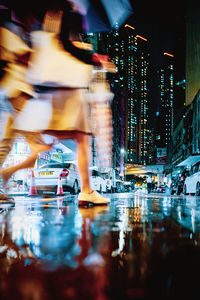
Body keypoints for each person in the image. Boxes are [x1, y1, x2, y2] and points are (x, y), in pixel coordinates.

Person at [0, 0, 115, 205]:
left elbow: (53, 45)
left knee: (45, 145)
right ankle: (86, 191)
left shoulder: (47, 14)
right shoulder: (65, 13)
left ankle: (10, 170)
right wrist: (93, 58)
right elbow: (66, 46)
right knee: (77, 141)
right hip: (63, 89)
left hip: (47, 88)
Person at [0, 6, 52, 200]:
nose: (35, 21)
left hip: (19, 96)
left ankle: (5, 175)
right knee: (39, 147)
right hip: (17, 95)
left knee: (6, 143)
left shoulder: (24, 34)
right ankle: (5, 174)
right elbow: (24, 60)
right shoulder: (8, 31)